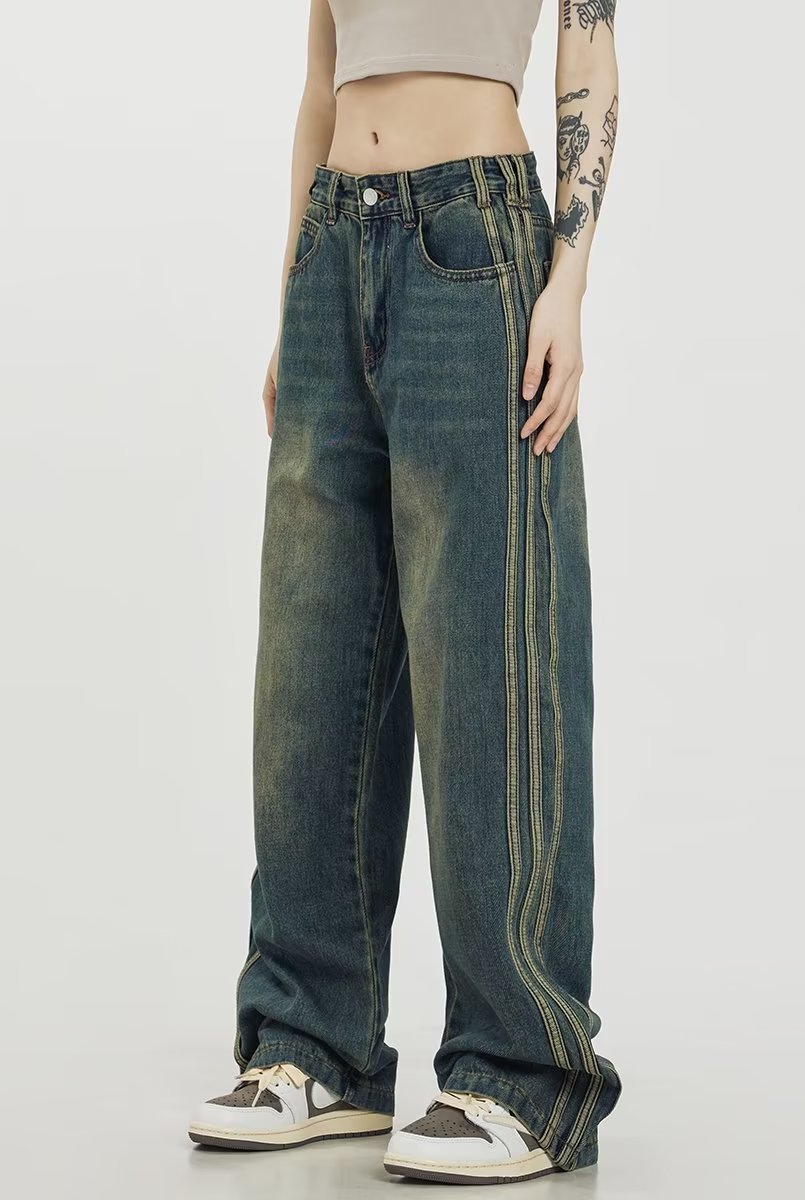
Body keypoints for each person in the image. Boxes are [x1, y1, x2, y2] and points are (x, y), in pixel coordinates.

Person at [188, 0, 621, 1184]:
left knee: (491, 656)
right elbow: (321, 75)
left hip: (476, 239)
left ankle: (522, 1074)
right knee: (313, 662)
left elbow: (590, 56)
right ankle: (312, 1044)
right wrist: (297, 291)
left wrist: (568, 282)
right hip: (337, 241)